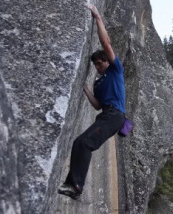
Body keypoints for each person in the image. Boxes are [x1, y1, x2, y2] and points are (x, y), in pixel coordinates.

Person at [57, 3, 126, 200]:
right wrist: (87, 89)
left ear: (107, 61)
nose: (98, 66)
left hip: (114, 116)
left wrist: (98, 18)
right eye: (95, 64)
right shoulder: (98, 84)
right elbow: (97, 105)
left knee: (84, 143)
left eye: (101, 62)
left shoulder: (115, 70)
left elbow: (106, 44)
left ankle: (76, 186)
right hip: (106, 115)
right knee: (80, 143)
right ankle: (73, 185)